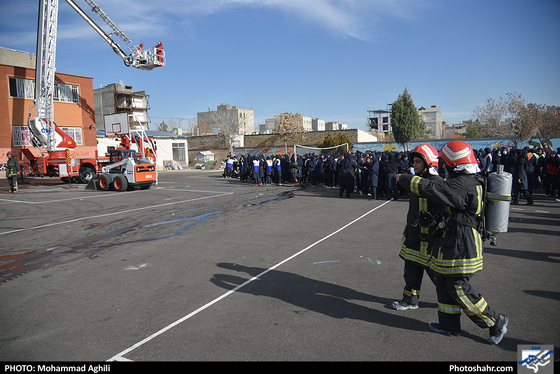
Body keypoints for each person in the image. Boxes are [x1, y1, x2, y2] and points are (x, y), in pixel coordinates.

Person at [396, 140, 508, 344]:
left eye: (446, 163)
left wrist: (405, 179)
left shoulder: (463, 183)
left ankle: (495, 321)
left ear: (455, 163)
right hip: (452, 240)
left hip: (462, 243)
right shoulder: (469, 180)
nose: (445, 167)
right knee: (444, 284)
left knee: (458, 287)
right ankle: (449, 325)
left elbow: (435, 189)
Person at [392, 145, 440, 310]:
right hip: (413, 236)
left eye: (418, 161)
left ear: (429, 162)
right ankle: (410, 300)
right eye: (413, 162)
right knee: (411, 270)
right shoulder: (416, 180)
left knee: (437, 275)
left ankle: (453, 299)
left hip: (431, 239)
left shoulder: (437, 183)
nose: (414, 165)